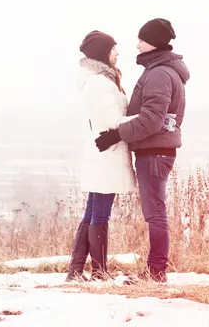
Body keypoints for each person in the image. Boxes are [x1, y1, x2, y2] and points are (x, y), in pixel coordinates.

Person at [94, 18, 190, 283]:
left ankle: (156, 272)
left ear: (153, 43)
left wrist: (116, 134)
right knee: (155, 211)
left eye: (141, 40)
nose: (137, 45)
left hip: (155, 151)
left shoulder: (159, 73)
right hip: (156, 150)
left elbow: (151, 120)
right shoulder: (162, 70)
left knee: (155, 213)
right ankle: (155, 270)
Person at [66, 30, 138, 282]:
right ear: (101, 53)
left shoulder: (103, 80)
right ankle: (98, 271)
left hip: (105, 153)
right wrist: (146, 119)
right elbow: (112, 121)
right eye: (113, 48)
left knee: (93, 211)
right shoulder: (98, 83)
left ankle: (76, 271)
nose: (118, 53)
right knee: (100, 213)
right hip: (106, 154)